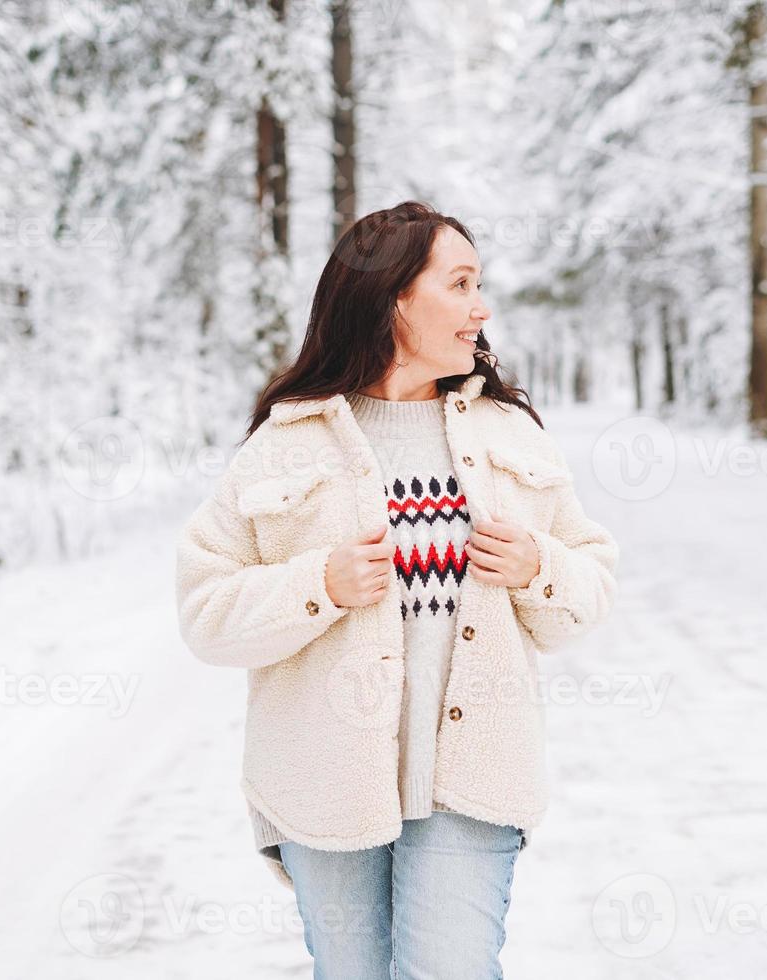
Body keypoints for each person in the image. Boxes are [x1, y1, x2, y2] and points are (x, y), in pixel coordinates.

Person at [174, 200, 619, 978]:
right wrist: (319, 585)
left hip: (473, 783)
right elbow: (205, 614)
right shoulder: (286, 443)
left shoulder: (511, 434)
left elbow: (589, 586)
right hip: (324, 787)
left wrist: (538, 569)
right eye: (460, 284)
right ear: (393, 300)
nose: (481, 308)